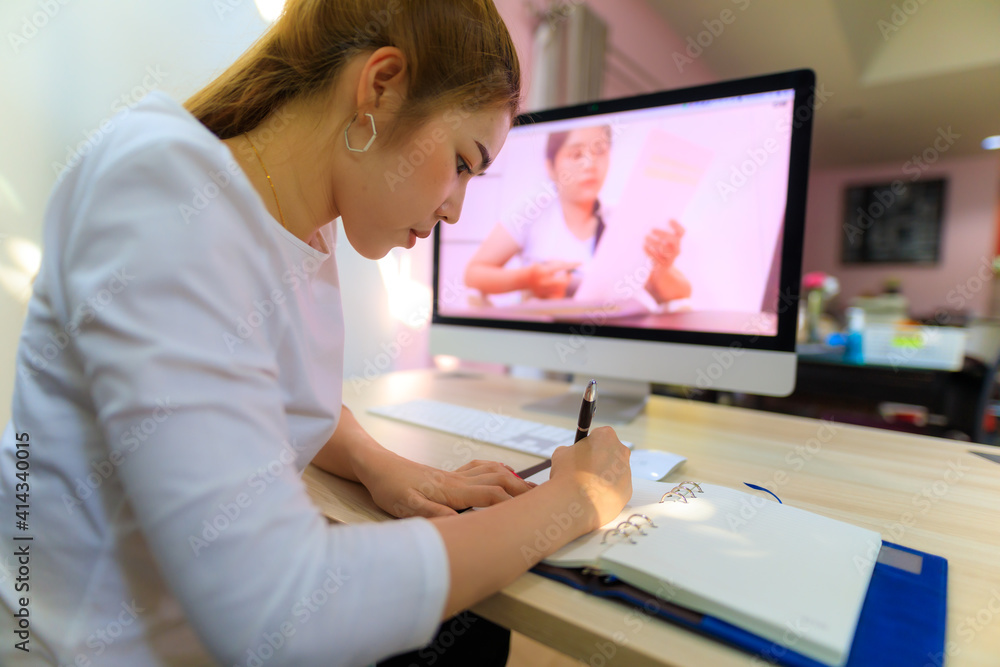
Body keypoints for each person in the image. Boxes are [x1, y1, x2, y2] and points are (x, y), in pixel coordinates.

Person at [0, 2, 632, 665]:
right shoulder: (161, 194)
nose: (454, 207)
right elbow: (279, 614)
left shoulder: (299, 224)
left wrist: (376, 461)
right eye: (463, 162)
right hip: (81, 647)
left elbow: (240, 386)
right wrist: (572, 500)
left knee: (473, 631)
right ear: (381, 85)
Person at [464, 124, 691, 304]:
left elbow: (680, 292)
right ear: (551, 167)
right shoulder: (533, 213)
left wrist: (662, 267)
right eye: (576, 154)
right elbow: (474, 274)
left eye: (600, 151)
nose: (590, 164)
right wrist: (528, 280)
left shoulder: (620, 218)